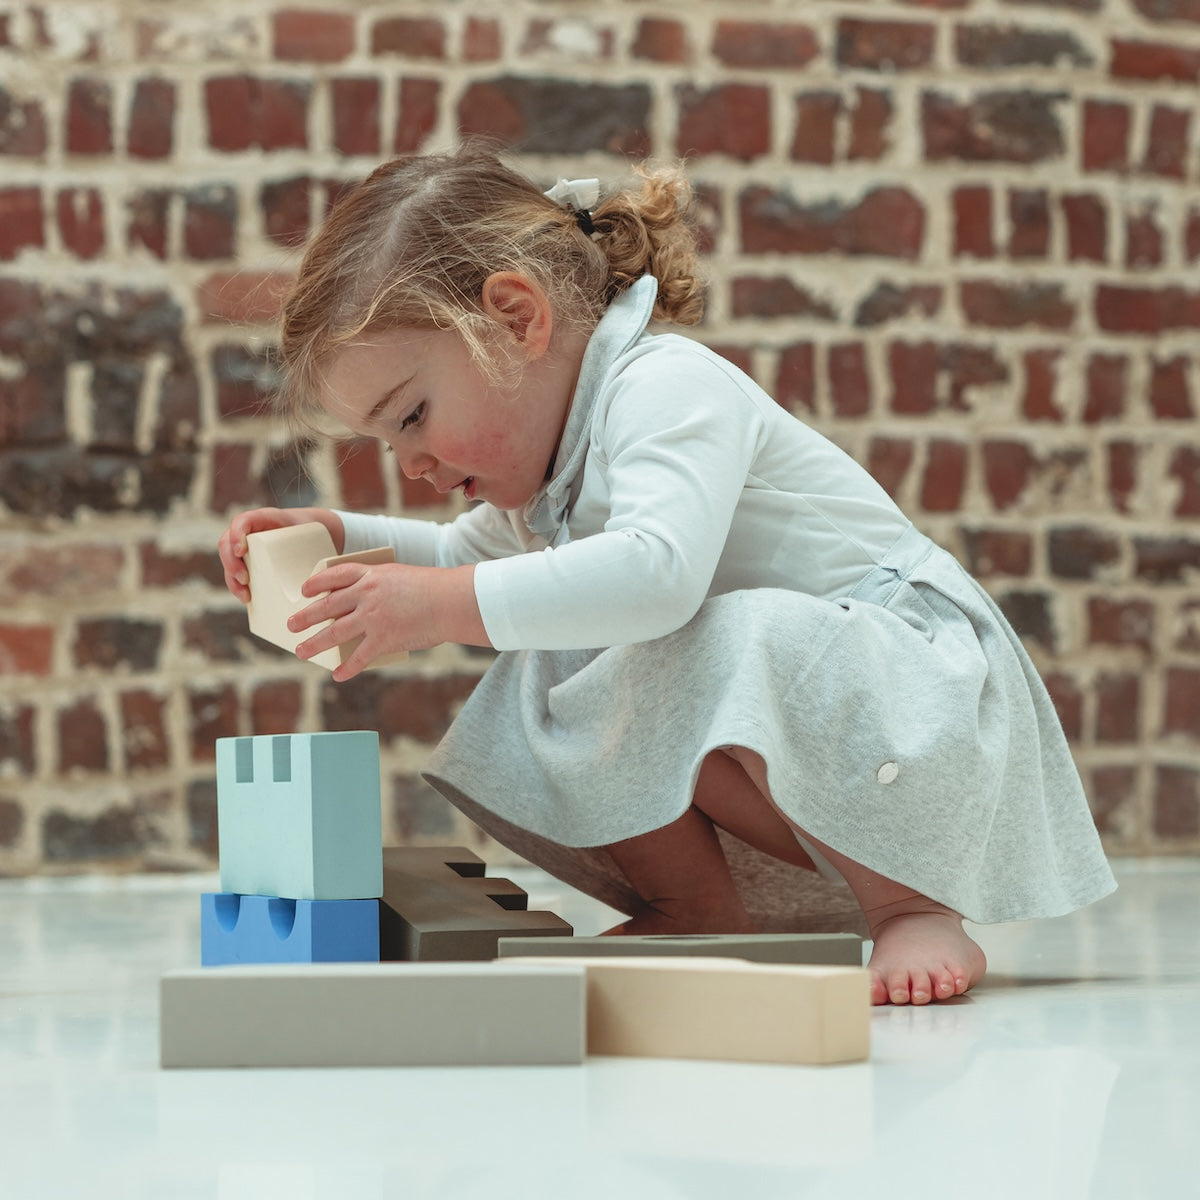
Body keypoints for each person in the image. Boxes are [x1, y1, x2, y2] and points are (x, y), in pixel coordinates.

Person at [219, 144, 1116, 1005]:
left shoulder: (666, 386)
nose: (407, 463)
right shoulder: (558, 467)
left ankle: (914, 905)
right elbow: (462, 557)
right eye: (385, 441)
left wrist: (435, 609)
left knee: (660, 622)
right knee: (557, 642)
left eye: (412, 415)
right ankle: (694, 908)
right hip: (826, 727)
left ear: (517, 318)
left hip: (922, 700)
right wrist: (337, 535)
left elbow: (658, 576)